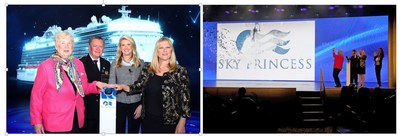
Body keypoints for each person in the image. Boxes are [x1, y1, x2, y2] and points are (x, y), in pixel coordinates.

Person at [30, 31, 112, 133]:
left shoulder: (78, 64)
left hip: (76, 118)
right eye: (63, 43)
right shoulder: (45, 66)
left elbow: (84, 88)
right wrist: (37, 121)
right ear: (56, 46)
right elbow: (36, 96)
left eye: (69, 43)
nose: (66, 46)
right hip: (55, 121)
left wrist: (97, 85)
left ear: (73, 46)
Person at [115, 37, 190, 133]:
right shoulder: (148, 69)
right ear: (157, 51)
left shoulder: (180, 71)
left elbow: (185, 100)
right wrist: (122, 86)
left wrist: (182, 123)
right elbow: (138, 86)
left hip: (170, 122)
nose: (164, 51)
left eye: (167, 47)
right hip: (148, 121)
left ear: (171, 50)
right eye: (161, 48)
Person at [108, 36, 144, 133]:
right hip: (119, 104)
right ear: (120, 47)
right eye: (123, 45)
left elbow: (145, 87)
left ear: (133, 46)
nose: (126, 47)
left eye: (128, 44)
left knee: (134, 131)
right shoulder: (114, 64)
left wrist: (142, 105)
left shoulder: (141, 63)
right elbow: (111, 85)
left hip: (136, 104)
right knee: (119, 131)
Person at [79, 36, 111, 133]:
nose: (98, 49)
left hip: (104, 108)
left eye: (100, 46)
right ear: (89, 47)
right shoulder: (81, 63)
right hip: (87, 110)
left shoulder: (107, 63)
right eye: (95, 46)